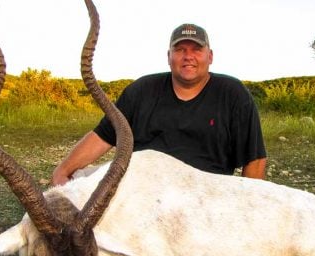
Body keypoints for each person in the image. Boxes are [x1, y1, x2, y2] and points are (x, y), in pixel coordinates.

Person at [52, 23, 267, 186]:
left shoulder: (234, 94)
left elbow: (254, 159)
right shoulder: (142, 90)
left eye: (196, 49)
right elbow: (103, 135)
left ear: (210, 56)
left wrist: (248, 207)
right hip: (140, 189)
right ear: (169, 56)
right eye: (180, 49)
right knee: (76, 186)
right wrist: (63, 170)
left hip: (205, 195)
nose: (188, 56)